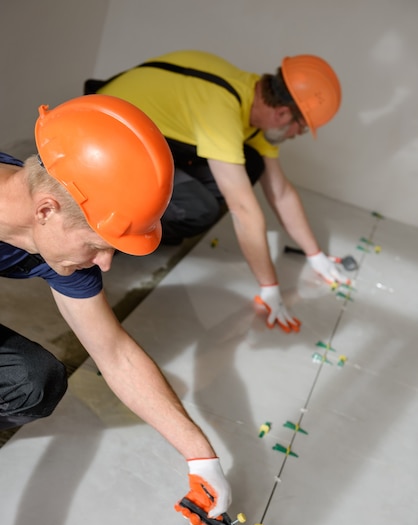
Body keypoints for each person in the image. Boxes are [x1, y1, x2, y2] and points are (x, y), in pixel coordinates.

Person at [0, 93, 231, 525]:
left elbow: (114, 353)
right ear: (46, 211)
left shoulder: (45, 228)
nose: (105, 263)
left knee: (32, 381)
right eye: (97, 246)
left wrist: (201, 457)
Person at [85, 50, 350, 334]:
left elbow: (281, 192)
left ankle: (148, 220)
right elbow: (244, 209)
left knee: (251, 163)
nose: (296, 134)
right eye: (299, 128)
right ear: (283, 113)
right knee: (199, 209)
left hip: (142, 136)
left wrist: (316, 256)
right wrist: (270, 288)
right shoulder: (222, 107)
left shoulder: (250, 97)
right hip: (98, 142)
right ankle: (111, 232)